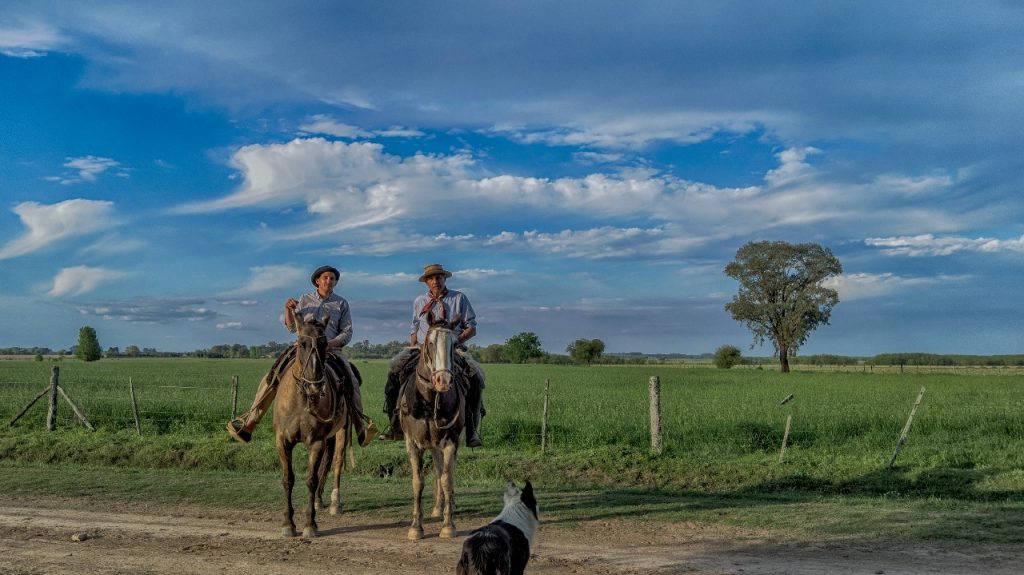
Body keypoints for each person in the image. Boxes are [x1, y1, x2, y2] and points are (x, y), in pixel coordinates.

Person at [226, 265, 374, 447]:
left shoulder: (341, 303)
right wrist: (287, 309)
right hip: (303, 348)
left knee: (351, 379)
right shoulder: (305, 299)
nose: (329, 281)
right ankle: (250, 423)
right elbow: (291, 327)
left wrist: (329, 344)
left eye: (333, 279)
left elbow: (347, 331)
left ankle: (360, 427)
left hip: (330, 349)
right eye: (325, 278)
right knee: (272, 376)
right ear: (317, 281)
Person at [380, 263, 485, 447]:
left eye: (439, 277)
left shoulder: (459, 298)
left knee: (475, 378)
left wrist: (455, 341)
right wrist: (413, 347)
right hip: (423, 349)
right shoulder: (419, 301)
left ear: (444, 279)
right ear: (426, 282)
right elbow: (415, 327)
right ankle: (395, 424)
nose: (435, 281)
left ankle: (471, 429)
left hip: (452, 349)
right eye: (431, 278)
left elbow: (472, 327)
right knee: (394, 375)